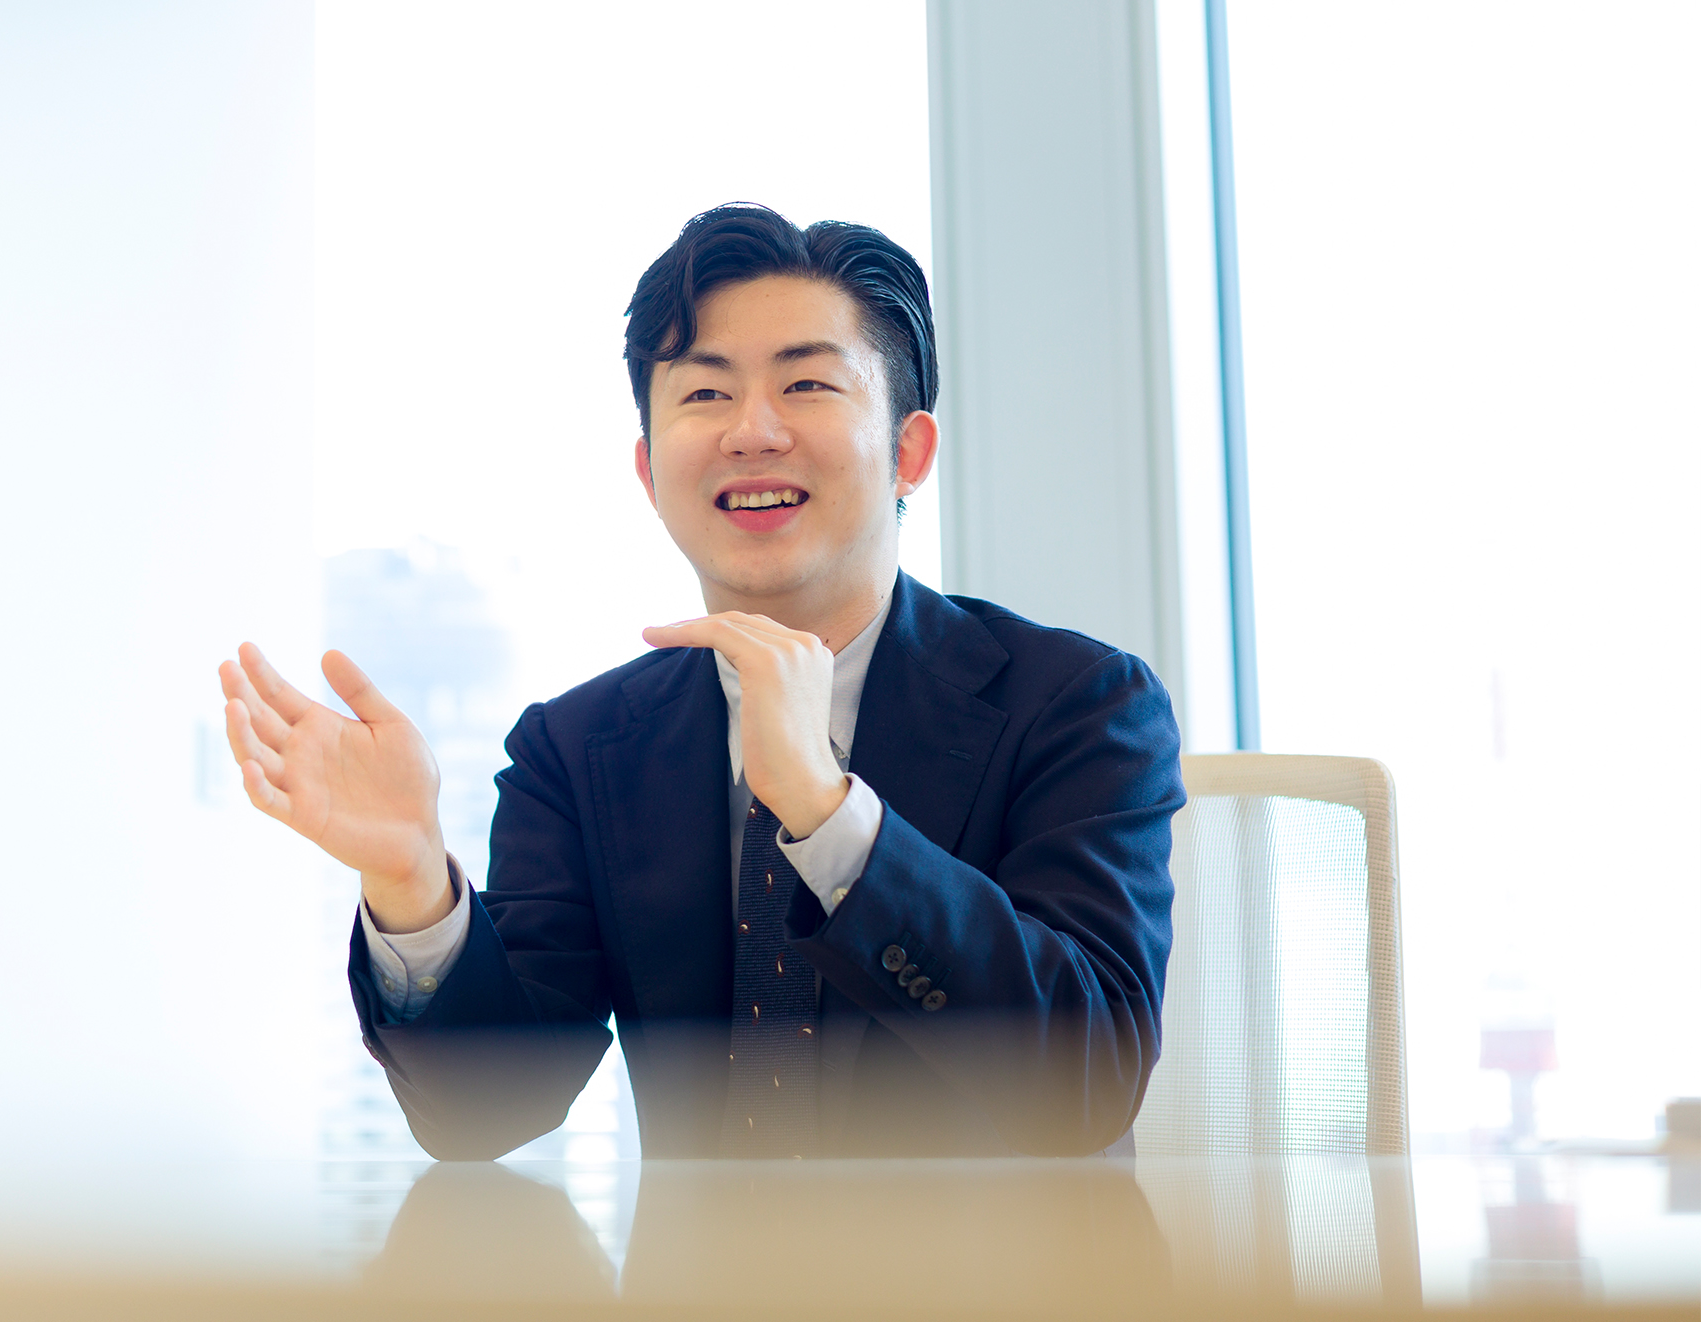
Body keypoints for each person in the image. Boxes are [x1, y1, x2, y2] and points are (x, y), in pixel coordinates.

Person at [219, 204, 1184, 1160]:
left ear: (908, 452)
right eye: (706, 393)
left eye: (805, 384)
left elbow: (1084, 1084)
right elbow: (486, 1115)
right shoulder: (577, 748)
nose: (751, 432)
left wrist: (827, 812)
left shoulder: (1078, 706)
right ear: (648, 472)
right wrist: (410, 883)